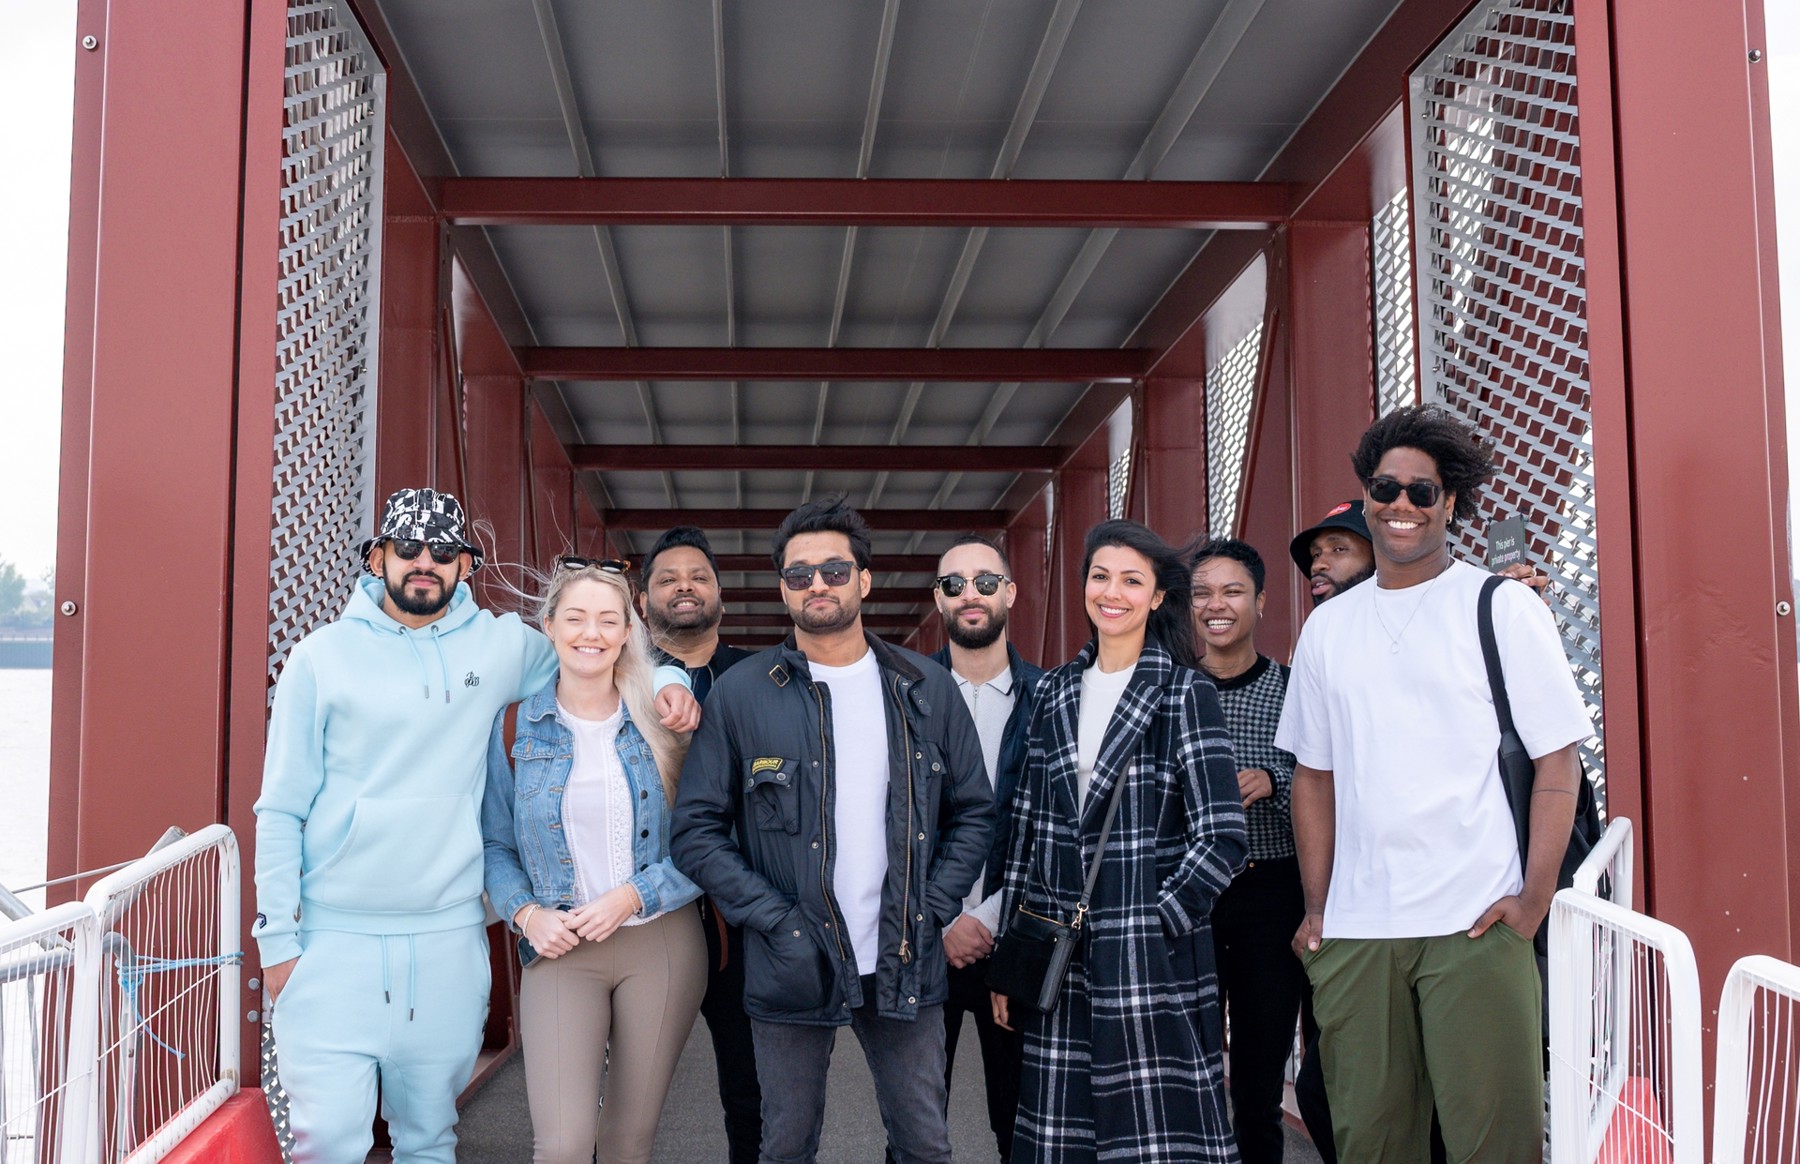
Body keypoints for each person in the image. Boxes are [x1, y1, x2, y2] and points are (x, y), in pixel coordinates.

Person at [253, 489, 698, 1164]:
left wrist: (675, 682)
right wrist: (277, 941)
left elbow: (604, 651)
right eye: (407, 549)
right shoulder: (319, 659)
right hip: (333, 936)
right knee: (327, 1145)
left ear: (467, 566)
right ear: (377, 557)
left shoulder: (501, 648)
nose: (424, 562)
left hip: (446, 940)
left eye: (443, 551)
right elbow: (280, 807)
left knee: (430, 1139)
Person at [1276, 406, 1591, 1163]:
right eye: (1387, 488)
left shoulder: (1501, 605)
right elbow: (1311, 778)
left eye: (1424, 491)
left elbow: (1558, 762)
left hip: (1477, 924)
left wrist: (1534, 898)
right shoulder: (1327, 629)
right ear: (1368, 494)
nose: (1403, 506)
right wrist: (1318, 911)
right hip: (1357, 930)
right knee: (1372, 1147)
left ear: (1452, 502)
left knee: (1495, 1146)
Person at [671, 493, 994, 1164]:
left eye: (834, 570)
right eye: (798, 574)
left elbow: (975, 812)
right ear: (783, 590)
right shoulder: (743, 694)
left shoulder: (927, 688)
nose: (817, 584)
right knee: (785, 1144)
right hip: (792, 958)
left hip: (902, 957)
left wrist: (932, 908)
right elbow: (697, 828)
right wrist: (775, 920)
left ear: (863, 581)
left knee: (925, 1145)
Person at [992, 519, 1247, 1164]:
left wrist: (1156, 922)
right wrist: (1012, 955)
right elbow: (1027, 829)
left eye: (1133, 580)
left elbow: (1221, 835)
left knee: (1158, 1137)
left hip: (1148, 959)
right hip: (1060, 952)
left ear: (1158, 597)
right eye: (1100, 577)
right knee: (1064, 1137)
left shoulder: (1185, 692)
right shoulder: (1052, 691)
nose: (1114, 592)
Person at [480, 559, 706, 1164]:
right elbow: (496, 846)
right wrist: (526, 914)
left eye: (610, 620)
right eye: (576, 618)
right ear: (550, 626)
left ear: (628, 632)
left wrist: (635, 895)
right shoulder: (513, 728)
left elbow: (704, 838)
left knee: (628, 1143)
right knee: (562, 1146)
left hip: (660, 943)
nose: (592, 632)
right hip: (560, 950)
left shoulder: (664, 721)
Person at [636, 527, 763, 1164]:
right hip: (637, 912)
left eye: (699, 576)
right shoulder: (610, 678)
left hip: (737, 916)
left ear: (719, 595)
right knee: (623, 1095)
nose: (684, 586)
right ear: (642, 599)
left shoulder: (763, 678)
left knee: (752, 1091)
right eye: (668, 578)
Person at [928, 534, 1042, 1163]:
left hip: (1018, 939)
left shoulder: (1051, 702)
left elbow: (1059, 830)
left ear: (1011, 593)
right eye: (954, 584)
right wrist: (944, 919)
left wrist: (990, 917)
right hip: (924, 942)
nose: (970, 594)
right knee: (914, 1132)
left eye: (985, 581)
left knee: (1022, 1128)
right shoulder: (903, 700)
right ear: (939, 601)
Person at [1189, 537, 1303, 1164]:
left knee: (1260, 1075)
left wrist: (1273, 781)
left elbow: (1326, 783)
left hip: (1272, 891)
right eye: (1203, 593)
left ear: (1260, 601)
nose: (1216, 605)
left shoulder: (1292, 689)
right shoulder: (1170, 692)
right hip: (1192, 896)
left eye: (1232, 591)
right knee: (1190, 1062)